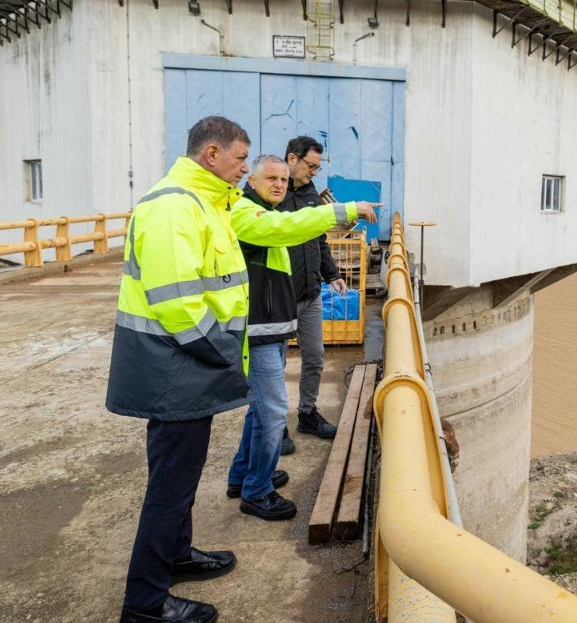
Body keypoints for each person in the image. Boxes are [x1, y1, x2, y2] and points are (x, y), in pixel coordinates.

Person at [107, 117, 372, 623]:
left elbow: (275, 229)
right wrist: (226, 353)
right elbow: (177, 304)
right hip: (175, 365)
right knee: (169, 487)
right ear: (212, 154)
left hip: (187, 365)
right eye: (241, 159)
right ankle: (145, 604)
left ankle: (176, 555)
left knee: (180, 479)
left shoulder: (212, 203)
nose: (245, 169)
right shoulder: (174, 207)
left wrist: (336, 212)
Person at [225, 155, 377, 522]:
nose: (279, 184)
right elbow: (289, 227)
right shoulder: (247, 213)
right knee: (273, 412)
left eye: (282, 179)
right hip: (258, 330)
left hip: (272, 326)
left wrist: (328, 270)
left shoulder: (268, 212)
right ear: (252, 182)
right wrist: (344, 210)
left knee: (260, 409)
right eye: (271, 178)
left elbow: (303, 235)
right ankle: (257, 491)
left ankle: (243, 475)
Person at [279, 135, 351, 450]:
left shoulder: (310, 193)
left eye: (317, 167)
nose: (314, 172)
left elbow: (319, 238)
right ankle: (275, 425)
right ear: (291, 159)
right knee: (274, 365)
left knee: (315, 357)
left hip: (310, 293)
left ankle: (307, 413)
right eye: (311, 165)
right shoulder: (272, 194)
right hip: (279, 297)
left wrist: (331, 274)